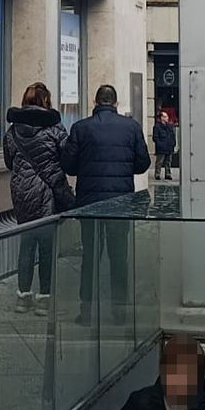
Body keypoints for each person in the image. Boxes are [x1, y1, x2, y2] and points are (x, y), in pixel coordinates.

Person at [61, 84, 151, 325]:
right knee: (119, 257)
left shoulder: (80, 128)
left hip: (89, 203)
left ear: (95, 101)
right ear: (116, 103)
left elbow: (68, 165)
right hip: (121, 203)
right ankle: (119, 311)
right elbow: (143, 164)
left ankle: (87, 312)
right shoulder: (131, 127)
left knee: (90, 257)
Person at [3, 81, 74, 315]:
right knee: (46, 247)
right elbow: (65, 159)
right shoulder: (55, 128)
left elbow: (8, 162)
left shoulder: (13, 130)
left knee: (26, 245)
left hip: (22, 192)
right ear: (46, 101)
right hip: (46, 192)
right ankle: (44, 298)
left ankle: (23, 297)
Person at [153, 109, 177, 181]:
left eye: (167, 116)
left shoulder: (169, 127)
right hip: (161, 148)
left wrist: (173, 144)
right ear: (162, 118)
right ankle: (157, 174)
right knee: (159, 162)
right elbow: (155, 138)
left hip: (169, 147)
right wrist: (160, 145)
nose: (167, 118)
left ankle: (168, 174)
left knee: (168, 162)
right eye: (165, 116)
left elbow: (172, 136)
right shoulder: (157, 127)